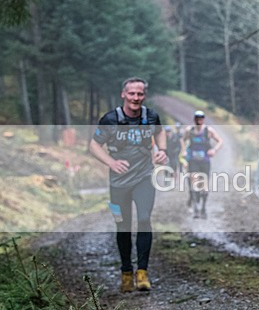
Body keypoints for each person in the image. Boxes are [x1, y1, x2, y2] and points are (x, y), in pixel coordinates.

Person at [89, 77, 167, 293]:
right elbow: (94, 145)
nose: (136, 98)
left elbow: (160, 132)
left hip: (144, 178)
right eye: (132, 93)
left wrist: (162, 151)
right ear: (123, 94)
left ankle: (142, 272)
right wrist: (111, 162)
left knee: (144, 219)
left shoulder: (151, 116)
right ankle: (126, 271)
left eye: (140, 94)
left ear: (145, 96)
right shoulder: (110, 119)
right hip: (118, 183)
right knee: (122, 226)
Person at [182, 109, 223, 219]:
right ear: (194, 119)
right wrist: (184, 151)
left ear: (203, 119)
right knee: (194, 183)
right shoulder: (189, 130)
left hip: (205, 161)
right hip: (193, 161)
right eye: (197, 118)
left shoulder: (208, 131)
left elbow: (220, 141)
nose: (199, 120)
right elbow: (182, 140)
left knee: (204, 186)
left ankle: (203, 208)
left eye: (201, 118)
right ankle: (196, 208)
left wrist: (214, 150)